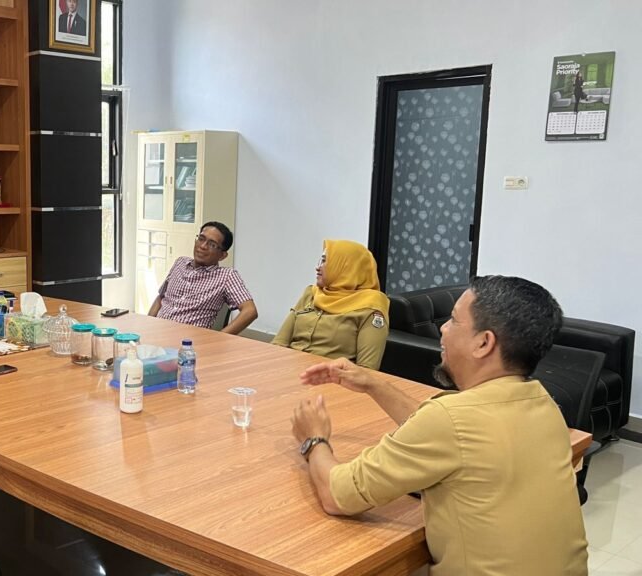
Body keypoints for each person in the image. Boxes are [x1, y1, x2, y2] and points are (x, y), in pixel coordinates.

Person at [291, 275, 588, 575]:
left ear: (484, 343)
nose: (443, 329)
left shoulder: (450, 421)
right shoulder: (544, 405)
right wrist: (372, 383)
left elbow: (338, 495)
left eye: (454, 320)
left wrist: (314, 439)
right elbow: (445, 433)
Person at [271, 240, 389, 369]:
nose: (318, 267)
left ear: (345, 266)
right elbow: (279, 343)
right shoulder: (312, 293)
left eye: (325, 261)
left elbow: (366, 369)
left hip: (330, 376)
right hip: (291, 368)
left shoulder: (371, 306)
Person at [148, 221, 258, 334]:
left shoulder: (226, 276)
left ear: (222, 255)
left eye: (212, 245)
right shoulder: (180, 262)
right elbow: (161, 298)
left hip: (189, 340)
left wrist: (220, 338)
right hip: (158, 332)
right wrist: (148, 326)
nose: (202, 246)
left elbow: (250, 311)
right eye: (201, 239)